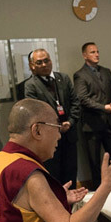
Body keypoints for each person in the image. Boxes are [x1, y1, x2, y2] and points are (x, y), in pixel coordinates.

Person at [25, 49, 80, 186]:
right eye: (39, 62)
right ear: (32, 66)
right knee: (53, 177)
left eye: (46, 60)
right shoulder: (31, 85)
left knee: (70, 174)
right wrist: (55, 127)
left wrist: (70, 122)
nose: (44, 65)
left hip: (69, 135)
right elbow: (34, 112)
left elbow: (75, 103)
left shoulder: (64, 78)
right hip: (48, 139)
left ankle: (73, 206)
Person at [74, 42, 111, 188]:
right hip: (92, 125)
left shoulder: (106, 71)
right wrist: (104, 107)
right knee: (95, 162)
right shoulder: (80, 75)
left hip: (109, 123)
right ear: (85, 55)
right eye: (92, 52)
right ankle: (97, 192)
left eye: (97, 51)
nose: (97, 54)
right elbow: (82, 99)